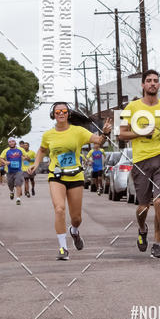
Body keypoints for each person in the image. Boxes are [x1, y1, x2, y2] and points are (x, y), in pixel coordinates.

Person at [28, 103, 110, 260]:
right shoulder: (48, 135)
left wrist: (105, 133)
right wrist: (36, 164)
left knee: (76, 218)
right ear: (53, 115)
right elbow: (42, 150)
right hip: (56, 176)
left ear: (68, 114)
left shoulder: (78, 131)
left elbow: (98, 141)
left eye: (64, 111)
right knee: (59, 209)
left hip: (75, 176)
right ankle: (63, 248)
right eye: (57, 111)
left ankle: (74, 230)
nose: (61, 113)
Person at [120, 70, 160, 259]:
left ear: (158, 85)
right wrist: (141, 133)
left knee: (159, 201)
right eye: (149, 81)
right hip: (141, 160)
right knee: (143, 206)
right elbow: (121, 134)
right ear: (143, 85)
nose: (152, 83)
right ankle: (142, 228)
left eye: (155, 81)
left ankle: (157, 243)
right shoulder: (132, 107)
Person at [0, 137, 25, 205]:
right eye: (10, 142)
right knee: (10, 184)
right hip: (9, 171)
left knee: (18, 183)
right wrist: (5, 162)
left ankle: (18, 199)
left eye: (13, 141)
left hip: (19, 170)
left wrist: (25, 157)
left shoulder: (20, 149)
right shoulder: (5, 151)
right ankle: (11, 191)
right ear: (8, 143)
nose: (11, 143)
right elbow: (1, 158)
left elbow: (26, 156)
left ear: (15, 142)